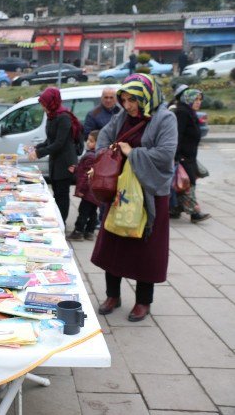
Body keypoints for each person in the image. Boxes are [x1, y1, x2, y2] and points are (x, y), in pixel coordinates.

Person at [92, 73, 177, 322]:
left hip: (149, 193)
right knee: (113, 244)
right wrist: (106, 155)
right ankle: (113, 296)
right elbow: (104, 138)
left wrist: (133, 153)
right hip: (122, 191)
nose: (128, 105)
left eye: (133, 100)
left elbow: (166, 153)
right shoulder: (122, 117)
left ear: (147, 97)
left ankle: (143, 302)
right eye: (125, 99)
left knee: (146, 249)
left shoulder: (165, 118)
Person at [28, 87, 82, 223]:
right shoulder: (52, 116)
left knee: (62, 194)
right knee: (56, 193)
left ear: (51, 102)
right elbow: (50, 140)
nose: (42, 107)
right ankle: (57, 220)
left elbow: (59, 143)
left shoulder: (63, 117)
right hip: (55, 161)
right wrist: (37, 147)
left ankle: (62, 222)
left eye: (44, 104)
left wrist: (38, 153)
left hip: (65, 162)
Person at [171, 88, 211, 223]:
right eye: (196, 99)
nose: (198, 102)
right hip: (183, 156)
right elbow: (177, 135)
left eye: (200, 100)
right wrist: (177, 156)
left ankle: (175, 209)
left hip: (189, 156)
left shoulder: (189, 112)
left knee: (182, 182)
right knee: (188, 183)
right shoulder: (182, 113)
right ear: (188, 99)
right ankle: (194, 213)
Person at [67, 130, 100, 241]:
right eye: (88, 140)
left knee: (83, 211)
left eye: (91, 141)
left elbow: (86, 176)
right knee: (93, 212)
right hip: (95, 192)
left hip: (88, 191)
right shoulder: (98, 155)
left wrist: (81, 189)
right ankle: (90, 232)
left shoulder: (91, 156)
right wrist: (76, 169)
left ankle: (78, 232)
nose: (88, 143)